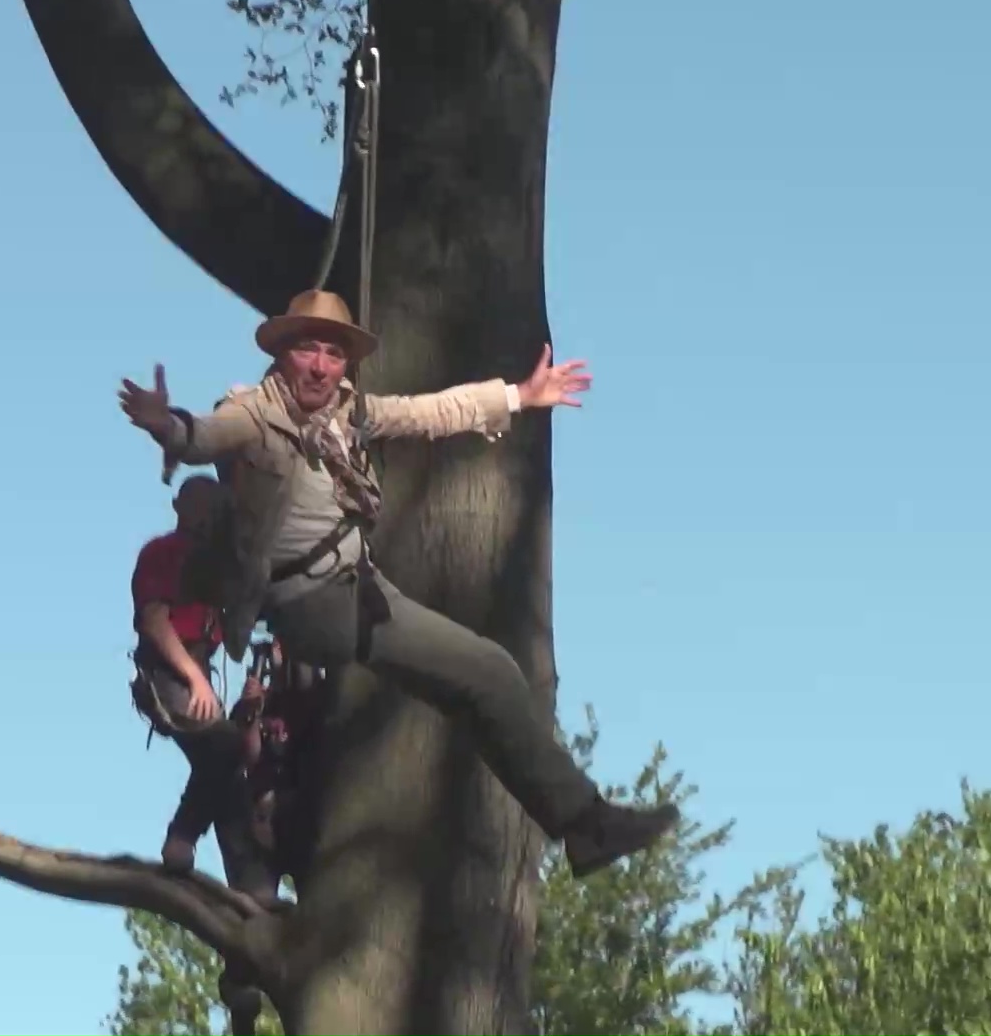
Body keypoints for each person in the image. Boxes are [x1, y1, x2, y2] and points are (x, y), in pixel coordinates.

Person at [117, 289, 681, 879]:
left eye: (332, 354)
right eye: (306, 349)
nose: (318, 366)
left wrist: (520, 396)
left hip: (359, 586)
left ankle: (580, 826)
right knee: (483, 673)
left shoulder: (346, 413)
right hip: (316, 604)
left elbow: (428, 412)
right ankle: (585, 824)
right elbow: (205, 434)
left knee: (483, 680)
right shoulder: (254, 415)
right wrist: (168, 427)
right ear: (282, 355)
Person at [128, 473, 277, 904]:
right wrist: (194, 679)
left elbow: (232, 637)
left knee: (227, 772)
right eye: (198, 505)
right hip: (169, 672)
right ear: (178, 507)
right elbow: (154, 621)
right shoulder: (163, 553)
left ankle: (253, 888)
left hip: (199, 668)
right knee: (227, 748)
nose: (205, 516)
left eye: (212, 508)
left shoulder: (216, 567)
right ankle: (182, 835)